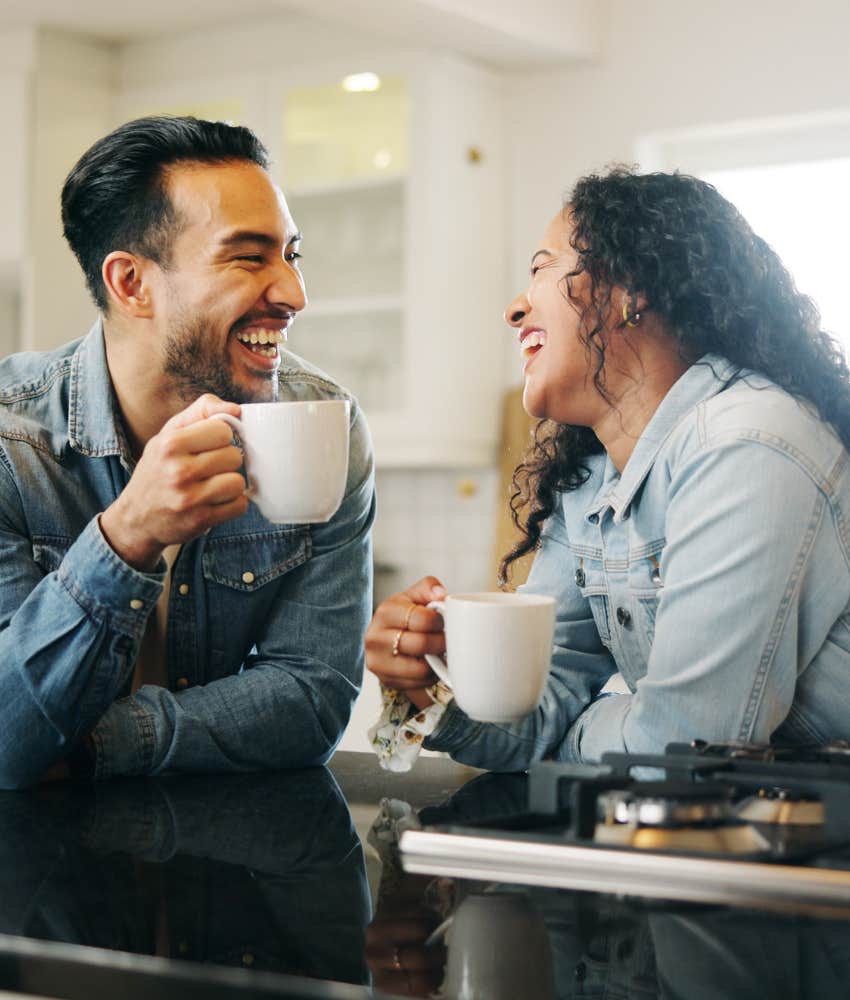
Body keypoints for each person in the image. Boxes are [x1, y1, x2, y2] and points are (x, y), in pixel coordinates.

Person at [366, 166, 850, 772]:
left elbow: (679, 752)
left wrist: (578, 733)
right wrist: (428, 691)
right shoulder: (594, 480)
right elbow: (534, 713)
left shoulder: (749, 446)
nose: (516, 309)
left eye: (543, 267)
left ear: (629, 289)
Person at [0, 116, 375, 789]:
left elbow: (312, 699)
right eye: (248, 255)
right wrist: (128, 536)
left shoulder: (324, 424)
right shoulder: (11, 447)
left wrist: (95, 746)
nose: (294, 293)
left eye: (291, 254)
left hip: (227, 868)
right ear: (131, 283)